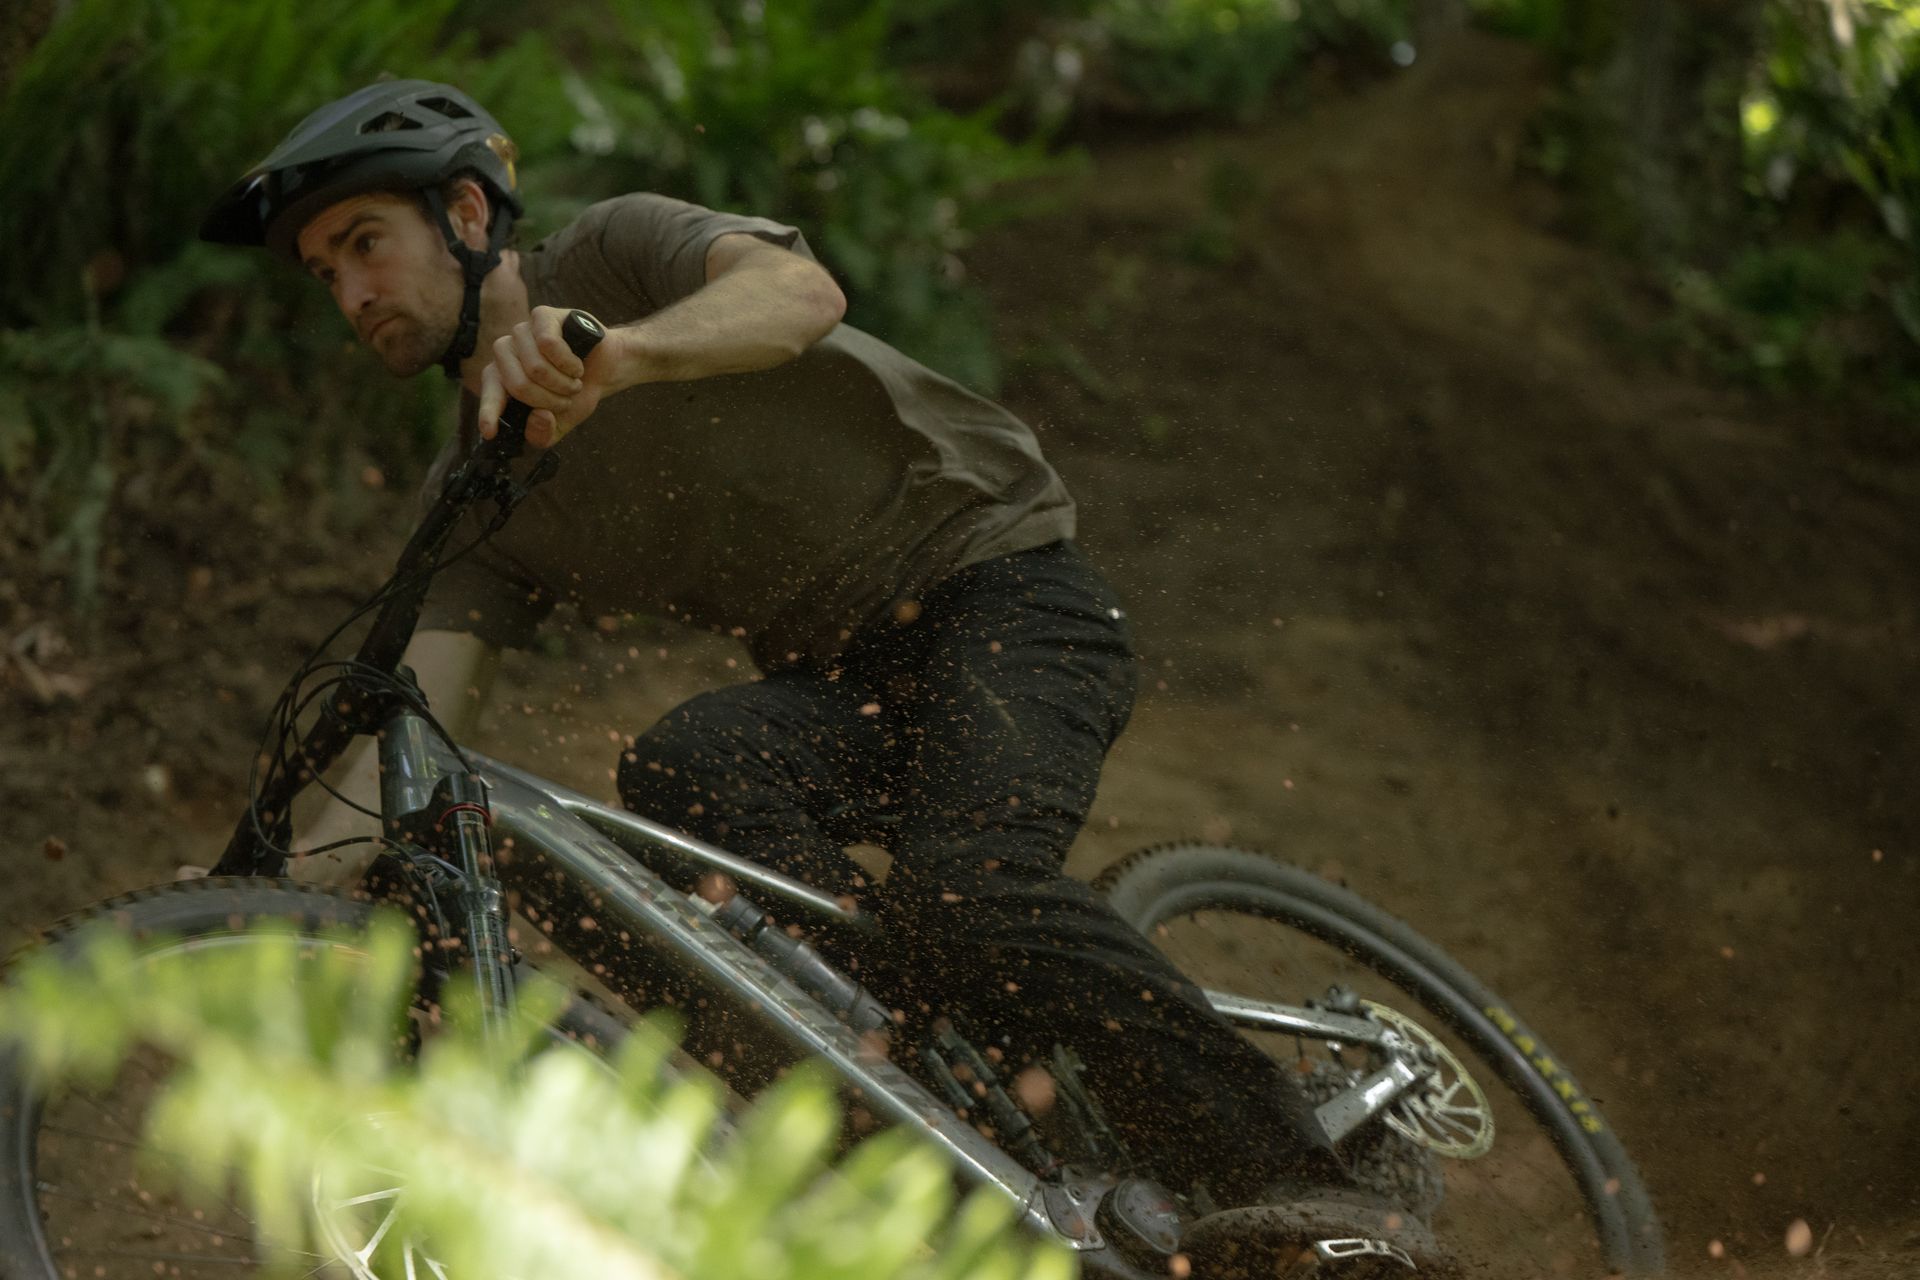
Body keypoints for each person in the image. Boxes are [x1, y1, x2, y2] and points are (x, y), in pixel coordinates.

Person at [200, 79, 1438, 1275]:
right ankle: (943, 1084)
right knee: (679, 778)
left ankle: (1321, 1182)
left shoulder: (616, 258)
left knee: (972, 890)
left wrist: (619, 356)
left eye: (365, 243)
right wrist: (240, 927)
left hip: (1002, 585)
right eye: (325, 273)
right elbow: (405, 731)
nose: (352, 291)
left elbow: (798, 293)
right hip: (845, 675)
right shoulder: (483, 488)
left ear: (468, 215)